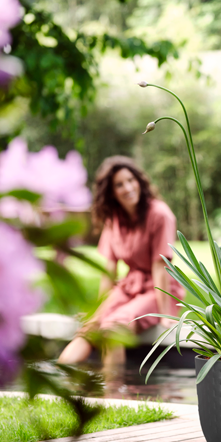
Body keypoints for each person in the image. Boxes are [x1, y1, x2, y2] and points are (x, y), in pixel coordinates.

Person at [58, 156, 184, 369]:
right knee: (91, 325)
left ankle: (111, 395)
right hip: (129, 287)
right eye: (119, 184)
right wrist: (98, 310)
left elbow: (160, 267)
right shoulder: (113, 218)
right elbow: (109, 269)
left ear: (139, 181)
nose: (127, 188)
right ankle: (59, 383)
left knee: (112, 329)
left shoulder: (160, 214)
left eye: (130, 180)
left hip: (160, 289)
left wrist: (164, 314)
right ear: (111, 193)